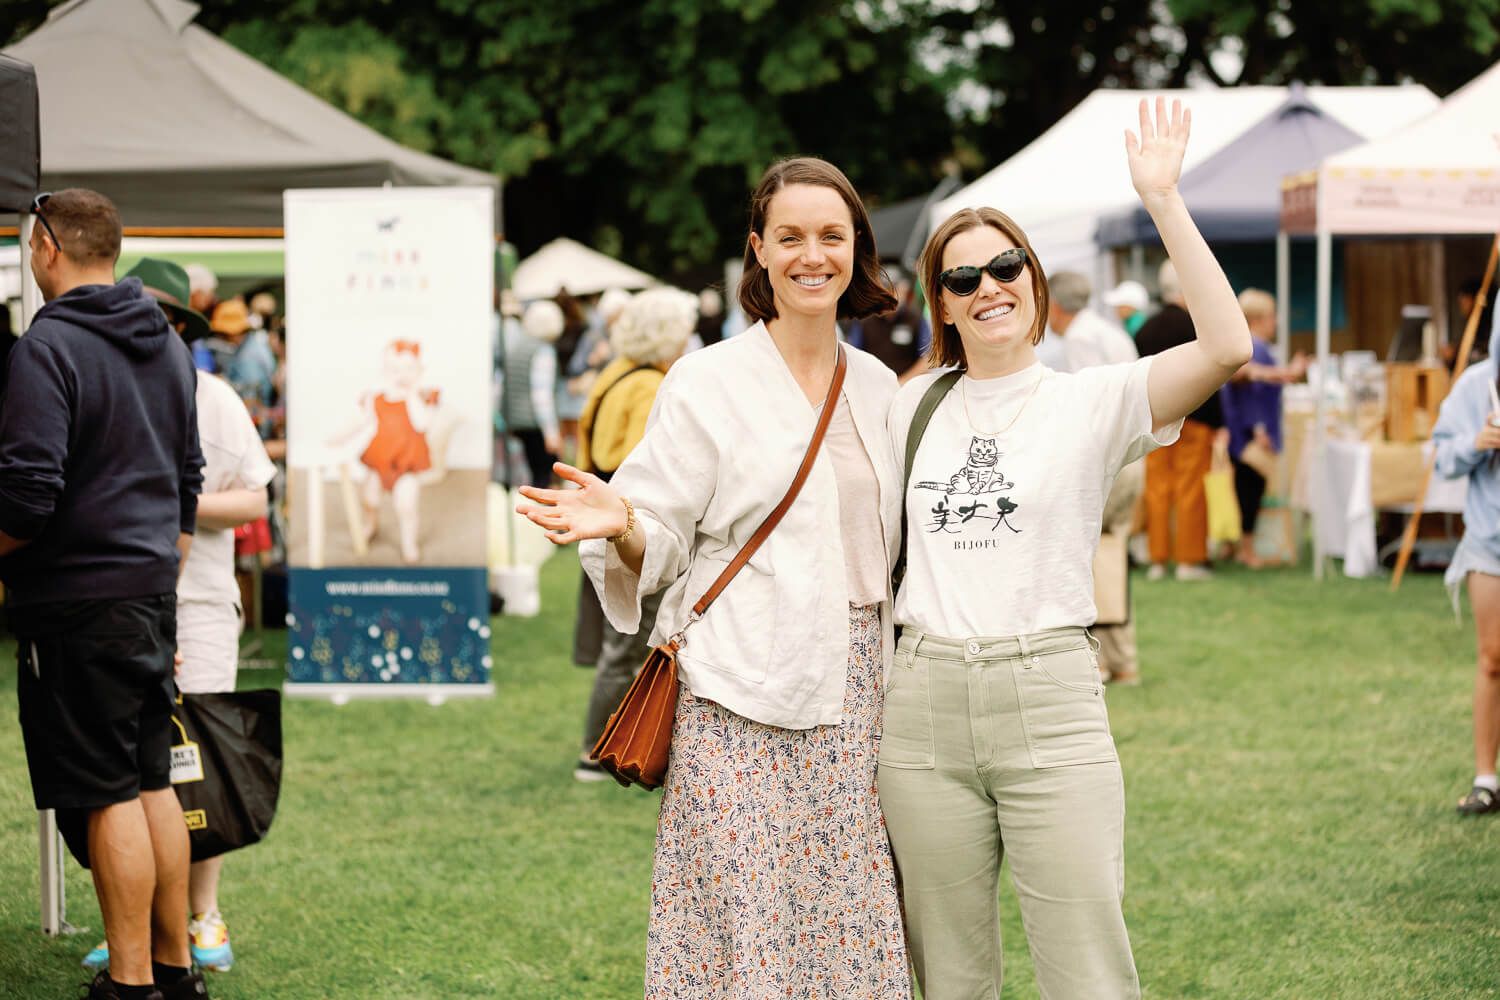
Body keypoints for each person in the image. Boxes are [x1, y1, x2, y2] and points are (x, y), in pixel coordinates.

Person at [881, 99, 1250, 999]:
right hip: (922, 704)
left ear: (1036, 281)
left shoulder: (1091, 400)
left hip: (1050, 694)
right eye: (964, 280)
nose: (989, 288)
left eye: (1006, 266)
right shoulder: (904, 405)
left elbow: (1230, 346)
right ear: (945, 305)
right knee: (948, 977)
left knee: (1088, 969)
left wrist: (1163, 200)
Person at [517, 157, 911, 998]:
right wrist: (620, 522)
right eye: (791, 236)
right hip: (736, 691)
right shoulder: (708, 379)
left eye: (832, 236)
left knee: (845, 913)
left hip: (858, 692)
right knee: (740, 919)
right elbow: (655, 528)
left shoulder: (880, 387)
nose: (813, 255)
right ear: (758, 252)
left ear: (856, 251)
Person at [1, 190, 208, 1000]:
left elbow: (25, 496)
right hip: (147, 588)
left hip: (81, 602)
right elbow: (187, 480)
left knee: (108, 790)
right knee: (150, 778)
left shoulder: (45, 347)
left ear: (47, 246)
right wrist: (162, 566)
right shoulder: (164, 339)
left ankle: (129, 983)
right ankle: (173, 970)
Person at [81, 259, 275, 976]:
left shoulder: (214, 396)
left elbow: (256, 499)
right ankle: (138, 928)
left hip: (197, 606)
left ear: (176, 327)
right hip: (121, 605)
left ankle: (201, 914)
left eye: (159, 317)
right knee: (130, 772)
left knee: (202, 762)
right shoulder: (94, 385)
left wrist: (173, 504)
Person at [570, 287, 697, 781]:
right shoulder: (648, 385)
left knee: (617, 645)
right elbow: (650, 465)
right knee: (627, 645)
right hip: (628, 525)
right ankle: (596, 749)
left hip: (603, 516)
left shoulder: (614, 372)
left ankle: (603, 744)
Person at [1047, 271, 1144, 683]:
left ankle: (1105, 660)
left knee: (1092, 556)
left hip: (1109, 460)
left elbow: (1089, 408)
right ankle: (1122, 659)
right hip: (1131, 457)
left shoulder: (1081, 338)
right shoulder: (1107, 331)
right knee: (1109, 554)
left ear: (1054, 305)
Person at [1433, 305, 1500, 816]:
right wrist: (1476, 443)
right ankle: (1486, 779)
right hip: (1491, 540)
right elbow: (1442, 454)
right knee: (1493, 658)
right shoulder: (1478, 385)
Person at [1135, 259, 1225, 581]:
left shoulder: (1145, 330)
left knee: (1157, 489)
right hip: (1195, 418)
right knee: (1190, 489)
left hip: (1156, 419)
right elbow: (1212, 378)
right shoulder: (1197, 328)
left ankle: (1158, 559)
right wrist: (1219, 423)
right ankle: (1189, 560)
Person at [1219, 289, 1307, 568]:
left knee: (1240, 489)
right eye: (1272, 315)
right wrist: (1259, 428)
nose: (1276, 321)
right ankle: (1246, 549)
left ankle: (1232, 546)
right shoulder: (1255, 347)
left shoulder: (1248, 346)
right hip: (1248, 434)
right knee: (1249, 490)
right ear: (1259, 318)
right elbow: (1251, 389)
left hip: (1239, 431)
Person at [501, 300, 564, 488]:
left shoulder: (519, 346)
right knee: (544, 479)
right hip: (536, 424)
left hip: (517, 420)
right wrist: (551, 432)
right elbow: (541, 394)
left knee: (532, 474)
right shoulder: (542, 350)